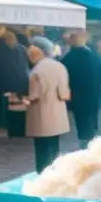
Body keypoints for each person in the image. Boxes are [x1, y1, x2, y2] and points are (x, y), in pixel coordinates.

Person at [24, 36, 70, 174]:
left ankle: (43, 174)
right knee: (54, 146)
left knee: (42, 150)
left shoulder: (37, 71)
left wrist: (24, 101)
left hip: (41, 115)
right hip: (58, 114)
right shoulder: (60, 66)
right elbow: (64, 94)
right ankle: (55, 172)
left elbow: (34, 96)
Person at [62, 31, 101, 147]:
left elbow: (65, 73)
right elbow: (100, 73)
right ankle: (92, 143)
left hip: (78, 95)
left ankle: (86, 146)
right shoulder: (93, 54)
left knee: (83, 123)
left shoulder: (71, 56)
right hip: (93, 93)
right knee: (91, 121)